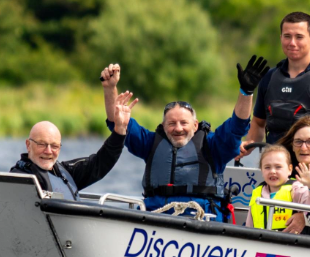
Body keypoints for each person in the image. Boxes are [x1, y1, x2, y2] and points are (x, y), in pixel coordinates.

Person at [100, 57, 269, 222]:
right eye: (172, 123)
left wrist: (246, 92)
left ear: (195, 125)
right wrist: (110, 88)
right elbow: (118, 122)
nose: (178, 128)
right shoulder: (149, 143)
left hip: (202, 220)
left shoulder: (213, 146)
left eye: (184, 123)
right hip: (156, 219)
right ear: (163, 126)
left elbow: (237, 126)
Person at [239, 12, 310, 160]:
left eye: (299, 37)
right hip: (276, 168)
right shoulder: (269, 77)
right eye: (287, 36)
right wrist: (248, 145)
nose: (292, 42)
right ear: (281, 38)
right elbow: (259, 124)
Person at [9, 117, 127, 201]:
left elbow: (100, 163)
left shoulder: (65, 172)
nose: (48, 151)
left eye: (54, 146)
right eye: (41, 144)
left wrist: (119, 131)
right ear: (28, 145)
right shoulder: (18, 178)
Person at [244, 145, 310, 230]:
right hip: (260, 242)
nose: (272, 171)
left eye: (278, 167)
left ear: (289, 169)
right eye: (267, 167)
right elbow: (249, 225)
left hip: (289, 242)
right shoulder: (257, 193)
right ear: (261, 171)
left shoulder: (296, 189)